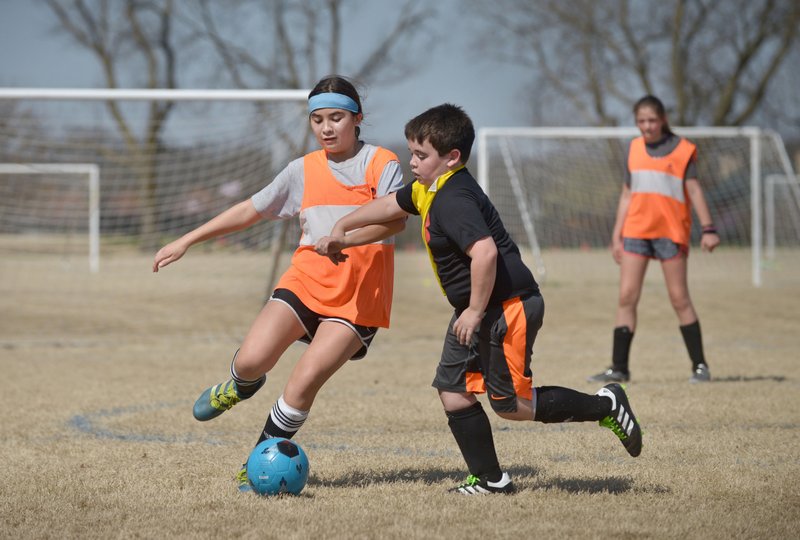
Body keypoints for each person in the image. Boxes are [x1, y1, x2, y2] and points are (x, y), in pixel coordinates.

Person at [316, 103, 642, 495]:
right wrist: (343, 227)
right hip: (476, 310)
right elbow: (392, 204)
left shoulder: (454, 199)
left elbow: (485, 253)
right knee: (452, 390)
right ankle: (491, 480)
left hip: (506, 307)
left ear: (451, 157)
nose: (412, 161)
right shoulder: (431, 187)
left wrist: (472, 311)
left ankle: (605, 405)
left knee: (510, 406)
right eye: (412, 152)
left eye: (421, 155)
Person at [153, 75, 406, 491]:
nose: (326, 128)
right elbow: (250, 210)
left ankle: (258, 462)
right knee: (253, 358)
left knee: (303, 381)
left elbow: (396, 218)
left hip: (359, 297)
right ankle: (238, 385)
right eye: (317, 119)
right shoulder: (301, 170)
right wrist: (187, 240)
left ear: (357, 118)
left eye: (337, 118)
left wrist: (347, 235)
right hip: (306, 280)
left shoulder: (382, 163)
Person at [588, 95, 720, 385]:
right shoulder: (633, 149)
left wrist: (708, 228)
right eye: (641, 121)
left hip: (670, 234)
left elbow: (695, 191)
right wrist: (616, 233)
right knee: (626, 297)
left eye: (652, 120)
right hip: (635, 232)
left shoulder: (684, 150)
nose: (646, 127)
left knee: (679, 298)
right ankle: (619, 367)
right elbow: (626, 194)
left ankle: (700, 366)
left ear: (663, 120)